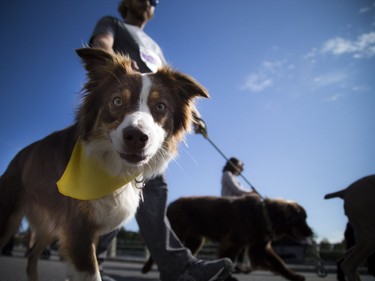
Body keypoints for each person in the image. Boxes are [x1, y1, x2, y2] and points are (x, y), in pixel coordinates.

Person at [89, 1, 234, 280]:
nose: (149, 2)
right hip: (124, 123)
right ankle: (92, 267)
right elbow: (100, 44)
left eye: (155, 1)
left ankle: (180, 270)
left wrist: (195, 118)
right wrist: (113, 60)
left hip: (152, 132)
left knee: (154, 203)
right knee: (112, 202)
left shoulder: (155, 46)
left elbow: (170, 91)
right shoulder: (114, 24)